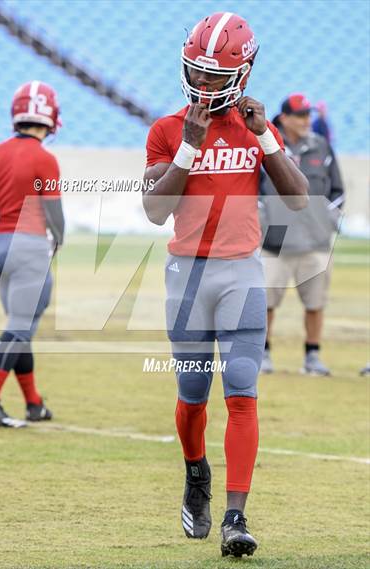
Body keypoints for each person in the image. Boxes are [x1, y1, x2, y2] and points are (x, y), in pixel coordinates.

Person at [142, 13, 308, 558]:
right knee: (193, 400)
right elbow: (153, 210)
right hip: (186, 276)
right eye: (198, 73)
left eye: (216, 77)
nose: (205, 85)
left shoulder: (254, 125)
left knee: (242, 392)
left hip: (241, 272)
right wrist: (188, 149)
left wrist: (265, 136)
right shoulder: (167, 129)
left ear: (243, 72)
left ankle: (237, 517)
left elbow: (299, 198)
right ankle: (196, 474)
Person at [0, 81, 65, 427]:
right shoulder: (45, 158)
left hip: (1, 245)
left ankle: (34, 403)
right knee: (20, 326)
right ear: (50, 115)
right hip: (30, 246)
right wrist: (59, 239)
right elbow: (54, 212)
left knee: (21, 326)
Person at [260, 93, 344, 375]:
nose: (307, 120)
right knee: (266, 301)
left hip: (315, 242)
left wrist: (326, 220)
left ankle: (312, 356)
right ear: (284, 118)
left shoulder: (321, 146)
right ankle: (263, 354)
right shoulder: (267, 146)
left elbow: (337, 191)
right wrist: (263, 221)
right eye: (301, 115)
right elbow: (253, 190)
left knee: (315, 302)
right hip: (275, 240)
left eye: (309, 114)